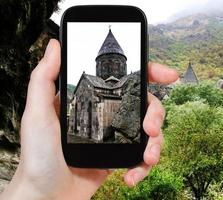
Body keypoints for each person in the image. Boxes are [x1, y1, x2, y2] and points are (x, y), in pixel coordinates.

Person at [0, 39, 179, 200]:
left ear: (121, 63)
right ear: (101, 64)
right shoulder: (92, 83)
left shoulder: (126, 83)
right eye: (108, 62)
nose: (111, 64)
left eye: (115, 62)